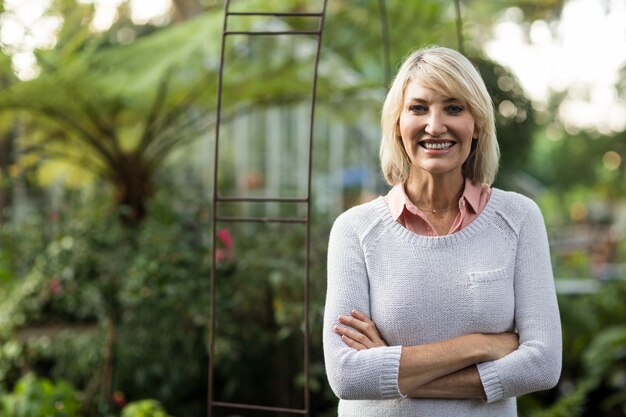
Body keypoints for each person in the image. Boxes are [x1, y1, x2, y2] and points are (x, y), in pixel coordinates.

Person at [322, 46, 562, 416]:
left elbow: (542, 364)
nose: (435, 126)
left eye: (454, 108)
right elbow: (347, 376)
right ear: (397, 125)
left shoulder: (518, 219)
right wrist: (479, 345)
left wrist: (392, 370)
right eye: (418, 108)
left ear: (478, 123)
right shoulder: (355, 230)